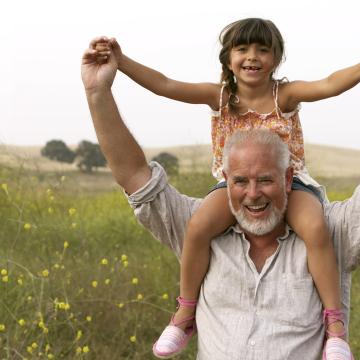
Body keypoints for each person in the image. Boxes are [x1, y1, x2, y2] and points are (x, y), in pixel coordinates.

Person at [91, 18, 360, 358]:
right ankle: (185, 312)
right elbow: (164, 84)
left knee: (316, 228)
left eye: (264, 50)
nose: (253, 57)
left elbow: (331, 84)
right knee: (198, 226)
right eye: (243, 48)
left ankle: (334, 326)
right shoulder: (220, 97)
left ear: (276, 59)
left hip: (290, 185)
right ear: (227, 57)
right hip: (232, 183)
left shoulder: (285, 95)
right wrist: (122, 61)